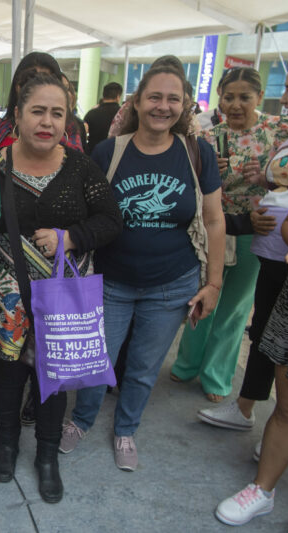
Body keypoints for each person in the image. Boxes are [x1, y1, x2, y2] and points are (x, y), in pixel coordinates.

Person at [60, 65, 225, 471]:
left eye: (173, 99)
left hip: (172, 284)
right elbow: (86, 212)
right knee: (96, 361)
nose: (162, 106)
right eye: (154, 97)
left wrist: (214, 283)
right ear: (136, 101)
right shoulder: (109, 151)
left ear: (185, 105)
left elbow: (214, 219)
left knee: (144, 368)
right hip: (111, 282)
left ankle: (126, 429)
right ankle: (81, 420)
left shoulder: (197, 153)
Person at [0, 73, 121, 503]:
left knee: (55, 377)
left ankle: (47, 455)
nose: (47, 122)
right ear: (18, 115)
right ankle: (7, 443)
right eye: (37, 111)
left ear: (68, 120)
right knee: (6, 374)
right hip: (8, 295)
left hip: (64, 295)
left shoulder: (80, 167)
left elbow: (112, 220)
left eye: (57, 113)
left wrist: (71, 236)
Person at [214, 53, 288, 531]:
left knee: (241, 320)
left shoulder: (277, 130)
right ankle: (263, 472)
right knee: (270, 346)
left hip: (277, 255)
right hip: (284, 263)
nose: (282, 98)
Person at [172, 67, 288, 404]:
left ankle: (216, 375)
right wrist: (210, 171)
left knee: (236, 307)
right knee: (202, 297)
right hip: (214, 228)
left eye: (245, 97)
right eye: (229, 97)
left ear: (259, 97)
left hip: (258, 231)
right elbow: (191, 186)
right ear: (219, 98)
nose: (236, 105)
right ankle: (186, 364)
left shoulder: (280, 133)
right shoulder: (207, 138)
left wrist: (266, 178)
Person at [0, 53, 84, 153]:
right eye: (29, 81)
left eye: (46, 80)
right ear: (17, 87)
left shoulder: (71, 132)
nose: (38, 87)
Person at [84, 82, 122, 154]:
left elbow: (83, 134)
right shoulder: (122, 114)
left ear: (104, 95)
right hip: (115, 154)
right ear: (118, 96)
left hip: (93, 154)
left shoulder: (91, 113)